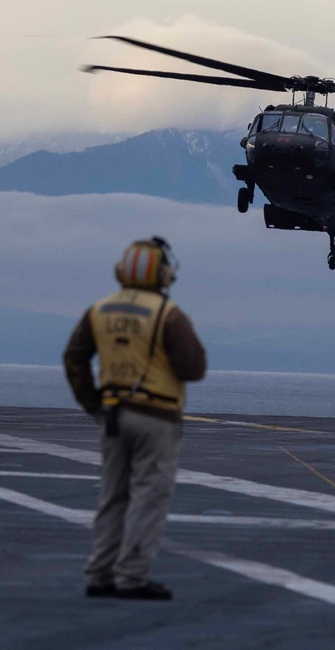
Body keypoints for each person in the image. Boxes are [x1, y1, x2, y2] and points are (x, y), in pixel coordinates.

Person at [63, 237, 206, 600]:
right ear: (163, 272)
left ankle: (99, 573)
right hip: (157, 418)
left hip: (112, 415)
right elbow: (193, 367)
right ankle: (131, 576)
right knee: (148, 496)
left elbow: (74, 358)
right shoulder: (166, 313)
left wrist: (92, 403)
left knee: (112, 496)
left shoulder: (100, 310)